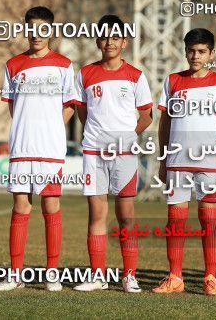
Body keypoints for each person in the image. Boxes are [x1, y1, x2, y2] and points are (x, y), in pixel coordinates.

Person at [0, 6, 77, 292]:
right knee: (20, 205)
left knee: (51, 205)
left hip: (50, 149)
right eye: (31, 28)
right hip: (21, 147)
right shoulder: (13, 64)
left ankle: (51, 273)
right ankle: (16, 274)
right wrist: (27, 129)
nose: (36, 34)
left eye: (42, 29)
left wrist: (52, 128)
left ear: (51, 31)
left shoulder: (65, 65)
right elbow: (13, 106)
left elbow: (69, 105)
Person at [153, 28, 216, 296]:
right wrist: (163, 158)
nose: (195, 56)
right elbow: (164, 124)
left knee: (208, 221)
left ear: (211, 53)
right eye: (191, 51)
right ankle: (175, 277)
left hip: (210, 163)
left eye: (201, 51)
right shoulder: (173, 81)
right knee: (175, 220)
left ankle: (210, 277)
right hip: (177, 162)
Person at [73, 15, 153, 292]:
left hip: (125, 153)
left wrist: (128, 136)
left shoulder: (136, 76)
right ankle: (97, 275)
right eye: (105, 37)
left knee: (126, 216)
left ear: (124, 42)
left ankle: (129, 275)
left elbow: (146, 116)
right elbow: (82, 111)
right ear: (97, 41)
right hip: (94, 152)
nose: (110, 42)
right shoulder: (84, 74)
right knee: (97, 214)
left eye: (115, 38)